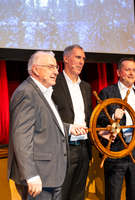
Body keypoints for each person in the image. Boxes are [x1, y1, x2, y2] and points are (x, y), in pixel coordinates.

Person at [7, 51, 87, 200]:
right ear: (36, 70)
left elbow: (46, 123)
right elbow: (21, 139)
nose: (56, 71)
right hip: (39, 177)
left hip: (52, 175)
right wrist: (31, 175)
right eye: (51, 67)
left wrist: (69, 128)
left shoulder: (44, 91)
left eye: (56, 67)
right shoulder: (26, 93)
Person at [97, 57, 135, 200]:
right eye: (128, 69)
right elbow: (97, 120)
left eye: (134, 70)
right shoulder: (107, 92)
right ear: (118, 72)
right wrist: (112, 115)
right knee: (113, 196)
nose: (131, 73)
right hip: (115, 150)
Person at [52, 44, 92, 200]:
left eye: (83, 58)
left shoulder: (86, 87)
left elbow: (87, 118)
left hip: (84, 148)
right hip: (64, 148)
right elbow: (50, 119)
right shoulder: (54, 83)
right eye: (77, 57)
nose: (81, 61)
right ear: (66, 59)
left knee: (78, 195)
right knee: (61, 194)